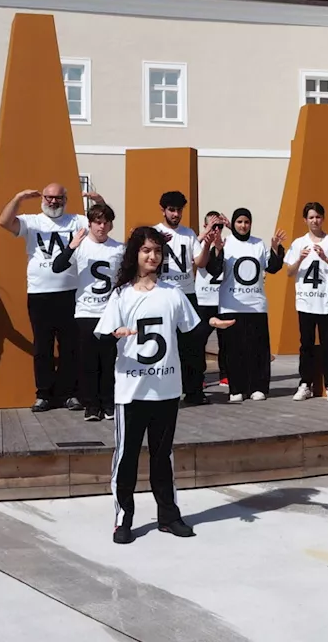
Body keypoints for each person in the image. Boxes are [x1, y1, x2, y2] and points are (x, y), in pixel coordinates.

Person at [96, 226, 234, 545]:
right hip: (131, 391)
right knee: (127, 456)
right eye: (146, 250)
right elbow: (101, 338)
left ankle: (168, 516)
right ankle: (123, 518)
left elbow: (192, 331)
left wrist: (212, 323)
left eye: (157, 251)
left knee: (162, 457)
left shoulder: (172, 293)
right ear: (135, 253)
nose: (152, 256)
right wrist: (115, 335)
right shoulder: (121, 295)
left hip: (167, 390)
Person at [0, 183, 105, 412]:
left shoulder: (76, 221)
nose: (53, 202)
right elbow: (4, 222)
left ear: (65, 199)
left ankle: (69, 394)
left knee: (70, 347)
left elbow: (102, 222)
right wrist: (18, 196)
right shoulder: (32, 221)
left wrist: (98, 201)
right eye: (49, 197)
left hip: (71, 293)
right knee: (42, 347)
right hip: (40, 294)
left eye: (58, 198)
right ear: (42, 199)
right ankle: (44, 394)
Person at [50, 203, 125, 422]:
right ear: (90, 223)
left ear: (111, 224)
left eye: (105, 222)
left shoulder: (119, 248)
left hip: (110, 312)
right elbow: (57, 267)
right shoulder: (80, 246)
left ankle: (108, 403)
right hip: (85, 312)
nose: (101, 227)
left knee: (109, 360)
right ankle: (91, 405)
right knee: (88, 361)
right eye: (97, 222)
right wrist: (71, 246)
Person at [206, 208, 285, 402]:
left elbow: (273, 267)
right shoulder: (225, 243)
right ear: (233, 223)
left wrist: (275, 248)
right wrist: (216, 249)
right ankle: (236, 388)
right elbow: (213, 270)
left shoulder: (258, 244)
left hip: (256, 306)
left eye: (246, 222)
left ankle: (258, 387)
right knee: (233, 350)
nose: (243, 225)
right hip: (230, 305)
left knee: (258, 349)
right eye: (239, 222)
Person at [283, 202, 328, 402]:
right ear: (305, 220)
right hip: (305, 302)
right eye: (311, 217)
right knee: (306, 344)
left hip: (327, 301)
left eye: (318, 217)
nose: (315, 220)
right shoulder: (298, 243)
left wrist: (326, 258)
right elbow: (289, 272)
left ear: (323, 218)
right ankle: (305, 383)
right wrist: (300, 259)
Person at [153, 191, 214, 405]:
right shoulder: (154, 233)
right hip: (162, 293)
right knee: (163, 343)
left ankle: (194, 391)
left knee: (193, 345)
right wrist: (159, 244)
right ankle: (162, 390)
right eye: (171, 210)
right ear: (163, 210)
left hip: (187, 294)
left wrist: (207, 243)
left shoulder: (189, 234)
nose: (176, 214)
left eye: (179, 210)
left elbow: (200, 262)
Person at [193, 211, 229, 398]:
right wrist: (206, 236)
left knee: (227, 341)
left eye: (219, 226)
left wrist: (229, 227)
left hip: (222, 300)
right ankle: (199, 377)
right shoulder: (197, 243)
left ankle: (226, 375)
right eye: (212, 226)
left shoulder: (228, 243)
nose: (216, 230)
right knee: (199, 341)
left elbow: (242, 241)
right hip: (203, 301)